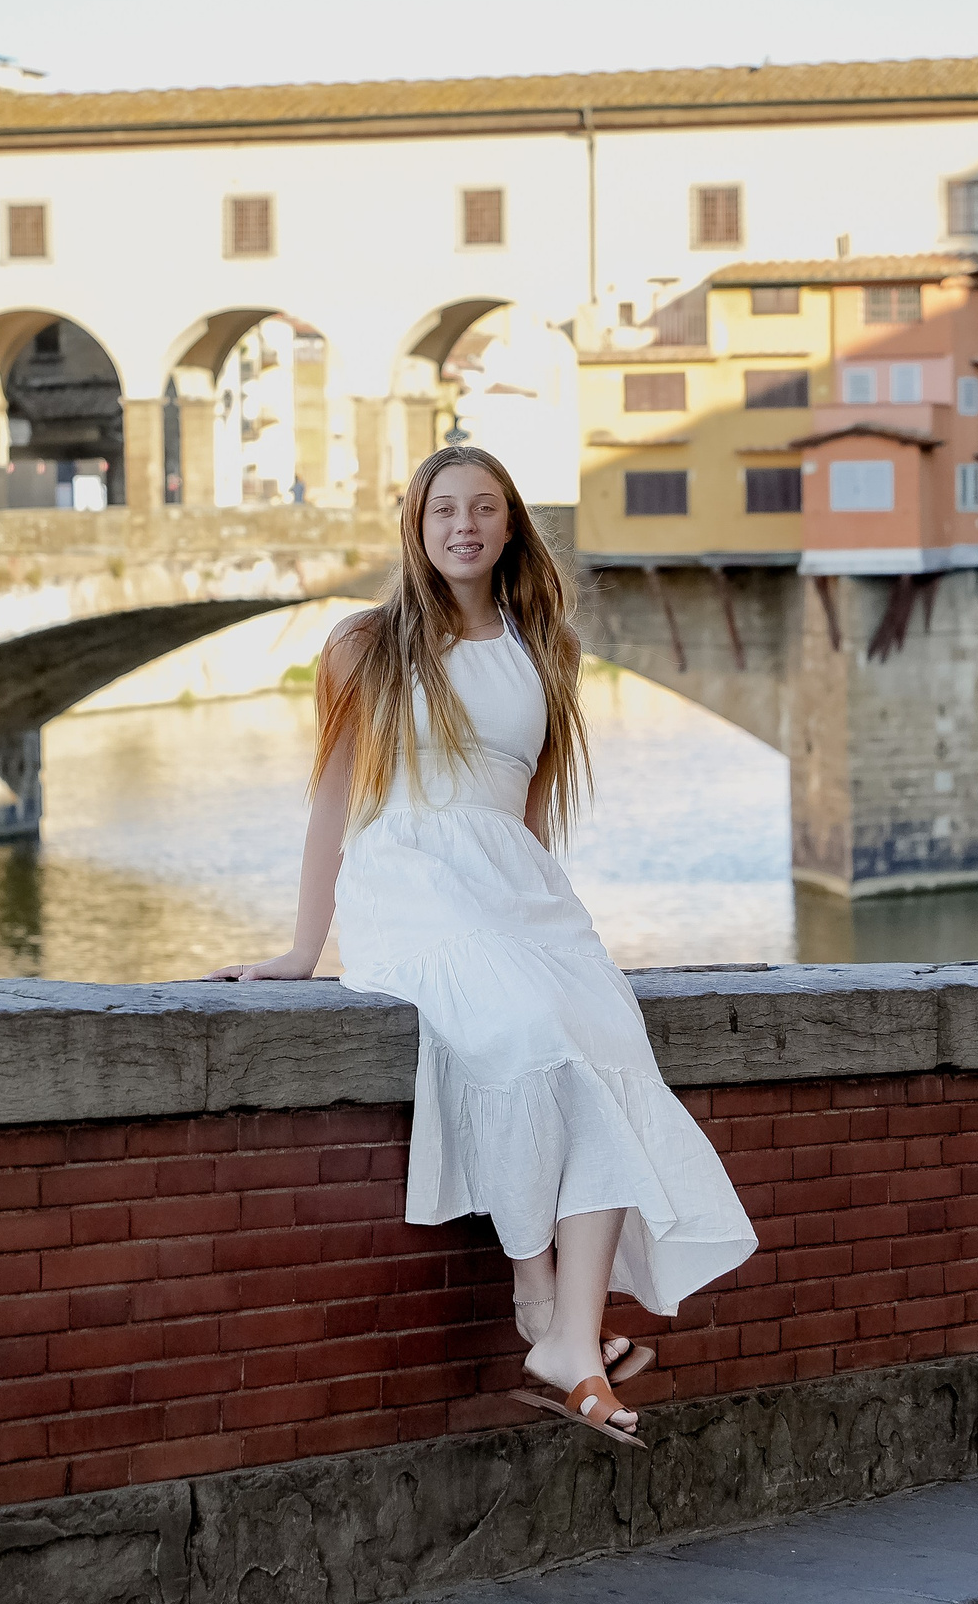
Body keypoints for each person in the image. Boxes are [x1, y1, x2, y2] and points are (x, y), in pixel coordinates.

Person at [210, 445, 756, 1446]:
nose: (462, 525)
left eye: (483, 509)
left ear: (509, 527)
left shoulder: (548, 649)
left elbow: (530, 816)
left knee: (606, 1042)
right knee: (532, 1033)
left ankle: (565, 1335)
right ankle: (541, 1305)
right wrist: (302, 947)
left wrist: (560, 934)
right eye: (442, 511)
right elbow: (333, 800)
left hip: (515, 890)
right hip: (408, 883)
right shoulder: (361, 644)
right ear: (416, 530)